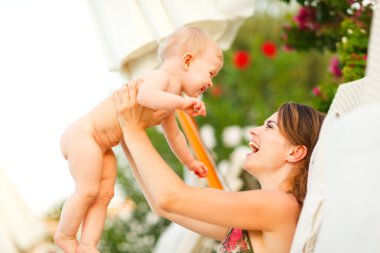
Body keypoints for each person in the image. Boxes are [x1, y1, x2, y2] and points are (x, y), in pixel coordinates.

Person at [54, 26, 223, 253]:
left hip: (103, 145)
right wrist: (182, 104)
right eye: (210, 73)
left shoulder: (170, 99)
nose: (211, 82)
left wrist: (190, 162)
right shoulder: (161, 78)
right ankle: (65, 236)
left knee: (104, 194)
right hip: (85, 135)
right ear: (188, 60)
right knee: (87, 189)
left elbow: (174, 135)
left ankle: (88, 244)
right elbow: (146, 96)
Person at [112, 81, 325, 253]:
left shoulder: (280, 205)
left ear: (295, 152)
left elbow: (171, 197)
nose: (254, 130)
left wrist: (133, 130)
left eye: (270, 126)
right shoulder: (261, 215)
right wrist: (125, 134)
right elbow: (162, 205)